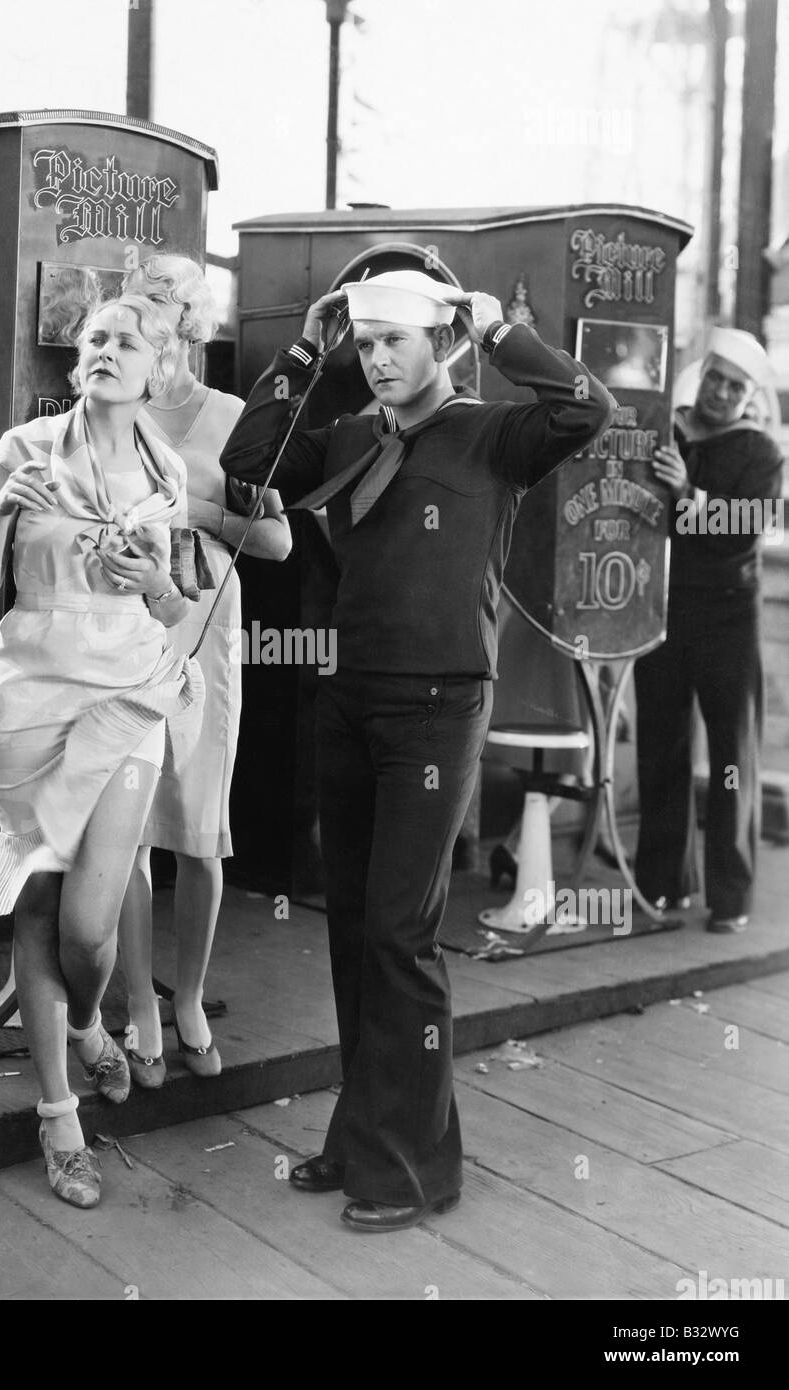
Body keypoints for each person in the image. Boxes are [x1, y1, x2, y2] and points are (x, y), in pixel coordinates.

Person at [220, 268, 613, 1232]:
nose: (379, 358)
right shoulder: (355, 435)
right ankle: (364, 1134)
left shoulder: (493, 433)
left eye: (396, 340)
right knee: (355, 927)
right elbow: (253, 469)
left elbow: (586, 408)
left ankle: (416, 1168)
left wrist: (502, 330)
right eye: (366, 342)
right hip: (349, 702)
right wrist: (308, 349)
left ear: (442, 341)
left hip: (437, 712)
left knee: (400, 933)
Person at [0, 293, 203, 1209]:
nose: (106, 351)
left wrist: (159, 586)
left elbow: (172, 605)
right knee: (41, 896)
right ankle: (61, 1116)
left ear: (157, 369)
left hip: (130, 685)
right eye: (95, 339)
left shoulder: (166, 469)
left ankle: (94, 1025)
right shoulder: (21, 452)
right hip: (28, 687)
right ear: (78, 362)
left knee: (92, 925)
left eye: (127, 342)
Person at [115, 254, 292, 1085]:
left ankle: (187, 998)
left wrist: (201, 510)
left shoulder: (234, 417)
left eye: (160, 326)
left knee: (197, 827)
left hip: (205, 627)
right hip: (122, 629)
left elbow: (279, 542)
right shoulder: (106, 413)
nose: (146, 346)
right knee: (127, 827)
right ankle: (140, 1009)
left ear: (191, 330)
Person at [634, 327, 784, 934]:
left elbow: (747, 526)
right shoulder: (667, 426)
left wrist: (687, 493)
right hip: (662, 609)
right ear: (704, 374)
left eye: (736, 386)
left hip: (727, 613)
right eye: (716, 378)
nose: (722, 393)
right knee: (661, 745)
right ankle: (662, 885)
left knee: (732, 755)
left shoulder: (761, 452)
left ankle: (731, 896)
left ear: (750, 394)